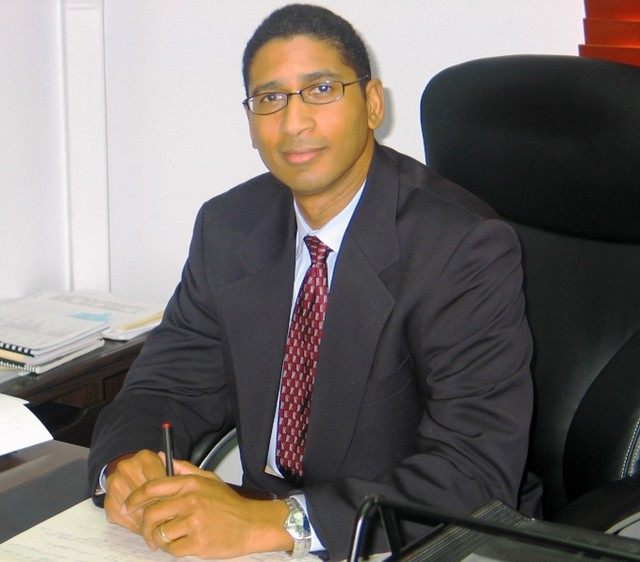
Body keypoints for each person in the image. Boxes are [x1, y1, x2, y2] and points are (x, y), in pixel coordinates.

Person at [88, 4, 541, 560]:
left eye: (321, 89)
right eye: (270, 98)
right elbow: (168, 385)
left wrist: (278, 522)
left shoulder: (462, 247)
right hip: (262, 534)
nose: (293, 122)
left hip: (418, 540)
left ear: (372, 104)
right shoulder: (228, 226)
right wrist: (125, 465)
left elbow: (474, 470)